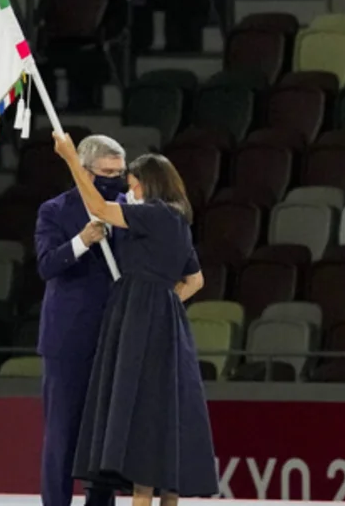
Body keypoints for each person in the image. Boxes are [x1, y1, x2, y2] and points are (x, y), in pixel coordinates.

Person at [51, 133, 219, 506]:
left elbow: (96, 204)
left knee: (141, 412)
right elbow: (195, 279)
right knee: (163, 412)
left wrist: (70, 160)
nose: (130, 192)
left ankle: (141, 497)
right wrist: (164, 302)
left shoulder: (153, 214)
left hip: (138, 321)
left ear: (146, 184)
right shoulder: (178, 220)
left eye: (132, 185)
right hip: (166, 321)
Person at [34, 135, 128, 506]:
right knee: (63, 434)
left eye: (119, 174)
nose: (115, 181)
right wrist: (83, 240)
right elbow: (46, 265)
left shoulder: (127, 209)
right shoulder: (55, 210)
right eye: (107, 173)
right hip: (69, 340)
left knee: (104, 437)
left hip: (116, 336)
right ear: (84, 170)